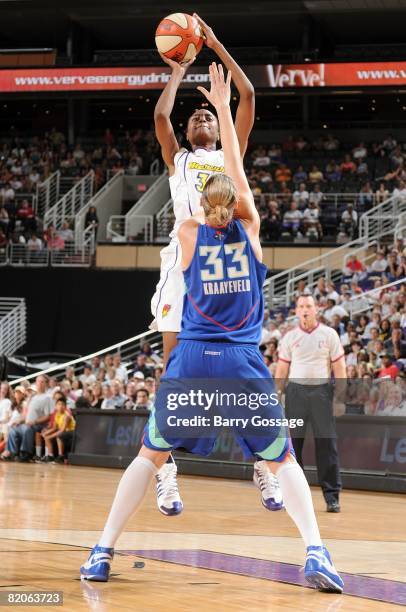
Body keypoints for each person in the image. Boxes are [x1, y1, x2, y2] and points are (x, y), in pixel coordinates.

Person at [81, 64, 344, 593]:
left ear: (202, 207)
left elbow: (214, 202)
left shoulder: (185, 235)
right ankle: (315, 552)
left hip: (193, 360)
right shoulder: (250, 235)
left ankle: (101, 549)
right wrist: (222, 111)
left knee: (147, 456)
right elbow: (240, 192)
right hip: (242, 364)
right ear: (239, 209)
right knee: (284, 456)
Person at [149, 14, 278, 516]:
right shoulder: (178, 158)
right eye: (196, 120)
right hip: (184, 259)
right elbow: (161, 117)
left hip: (229, 260)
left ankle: (262, 461)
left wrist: (216, 43)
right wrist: (181, 65)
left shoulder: (231, 152)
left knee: (242, 368)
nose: (203, 123)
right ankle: (168, 471)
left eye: (207, 118)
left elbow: (247, 95)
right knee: (173, 367)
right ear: (186, 132)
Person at [276, 295, 347, 513]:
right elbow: (281, 370)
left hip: (321, 393)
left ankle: (332, 497)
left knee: (326, 446)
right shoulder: (289, 337)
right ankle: (293, 497)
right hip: (295, 393)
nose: (305, 310)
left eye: (308, 306)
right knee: (292, 447)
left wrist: (340, 399)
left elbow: (340, 368)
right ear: (296, 311)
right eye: (300, 306)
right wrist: (276, 395)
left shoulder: (329, 334)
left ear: (316, 309)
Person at [41, 397, 75, 463]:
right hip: (64, 432)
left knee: (59, 436)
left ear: (65, 407)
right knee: (47, 436)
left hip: (72, 432)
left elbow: (62, 430)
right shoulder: (57, 415)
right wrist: (46, 433)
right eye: (59, 404)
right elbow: (55, 428)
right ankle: (50, 455)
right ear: (56, 406)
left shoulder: (67, 416)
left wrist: (50, 436)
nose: (60, 406)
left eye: (62, 404)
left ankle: (61, 456)